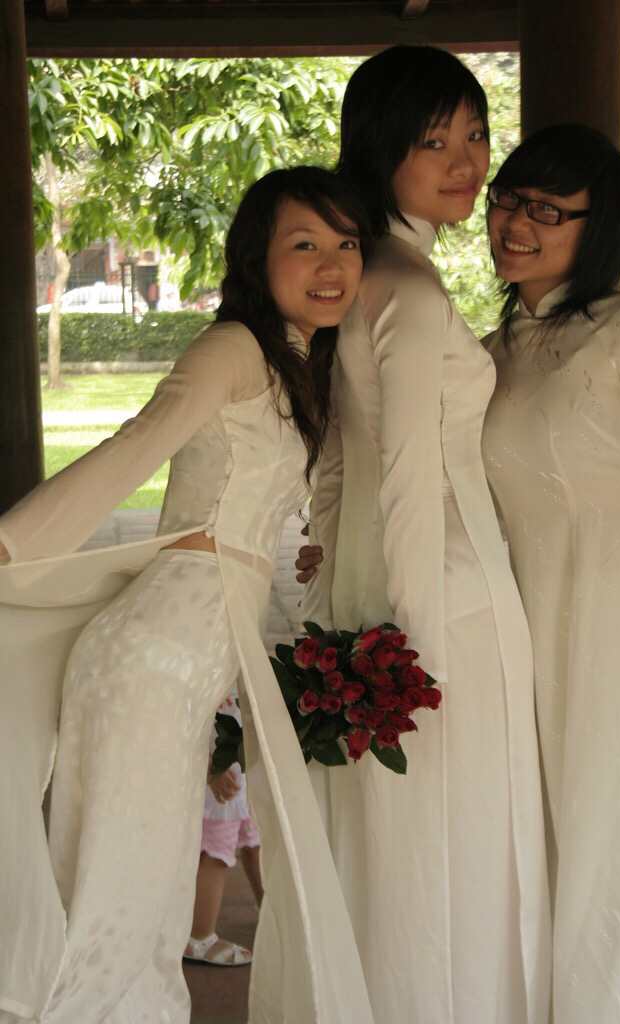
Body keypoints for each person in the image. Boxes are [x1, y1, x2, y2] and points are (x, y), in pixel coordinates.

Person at [0, 167, 376, 1024]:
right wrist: (11, 544)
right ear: (257, 258)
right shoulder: (234, 348)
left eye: (346, 244)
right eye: (304, 244)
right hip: (154, 654)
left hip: (185, 656)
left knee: (143, 895)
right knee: (122, 898)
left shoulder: (298, 364)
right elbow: (134, 447)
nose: (330, 265)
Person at [300, 45, 551, 1024]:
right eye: (434, 140)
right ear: (381, 147)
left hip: (378, 590)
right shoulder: (403, 290)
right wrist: (408, 656)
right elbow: (403, 474)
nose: (466, 161)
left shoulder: (363, 274)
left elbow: (334, 460)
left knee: (400, 849)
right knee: (456, 844)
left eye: (475, 134)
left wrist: (332, 585)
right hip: (442, 599)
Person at [482, 123, 620, 1024]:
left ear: (596, 226)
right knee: (580, 855)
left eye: (546, 209)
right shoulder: (490, 352)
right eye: (508, 199)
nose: (514, 222)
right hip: (539, 630)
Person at [183, 697, 261, 968]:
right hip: (220, 764)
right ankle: (199, 936)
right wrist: (209, 765)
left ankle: (269, 909)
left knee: (254, 839)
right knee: (216, 852)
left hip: (242, 762)